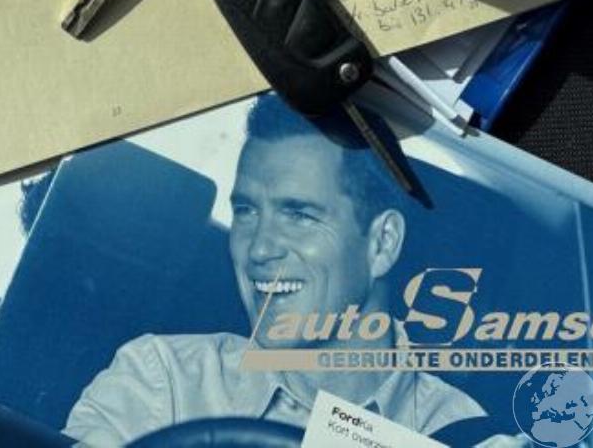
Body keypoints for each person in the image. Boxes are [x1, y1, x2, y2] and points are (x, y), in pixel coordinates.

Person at [63, 94, 523, 447]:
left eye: (299, 214)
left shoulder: (467, 438)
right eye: (246, 211)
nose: (259, 248)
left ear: (382, 244)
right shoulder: (163, 381)